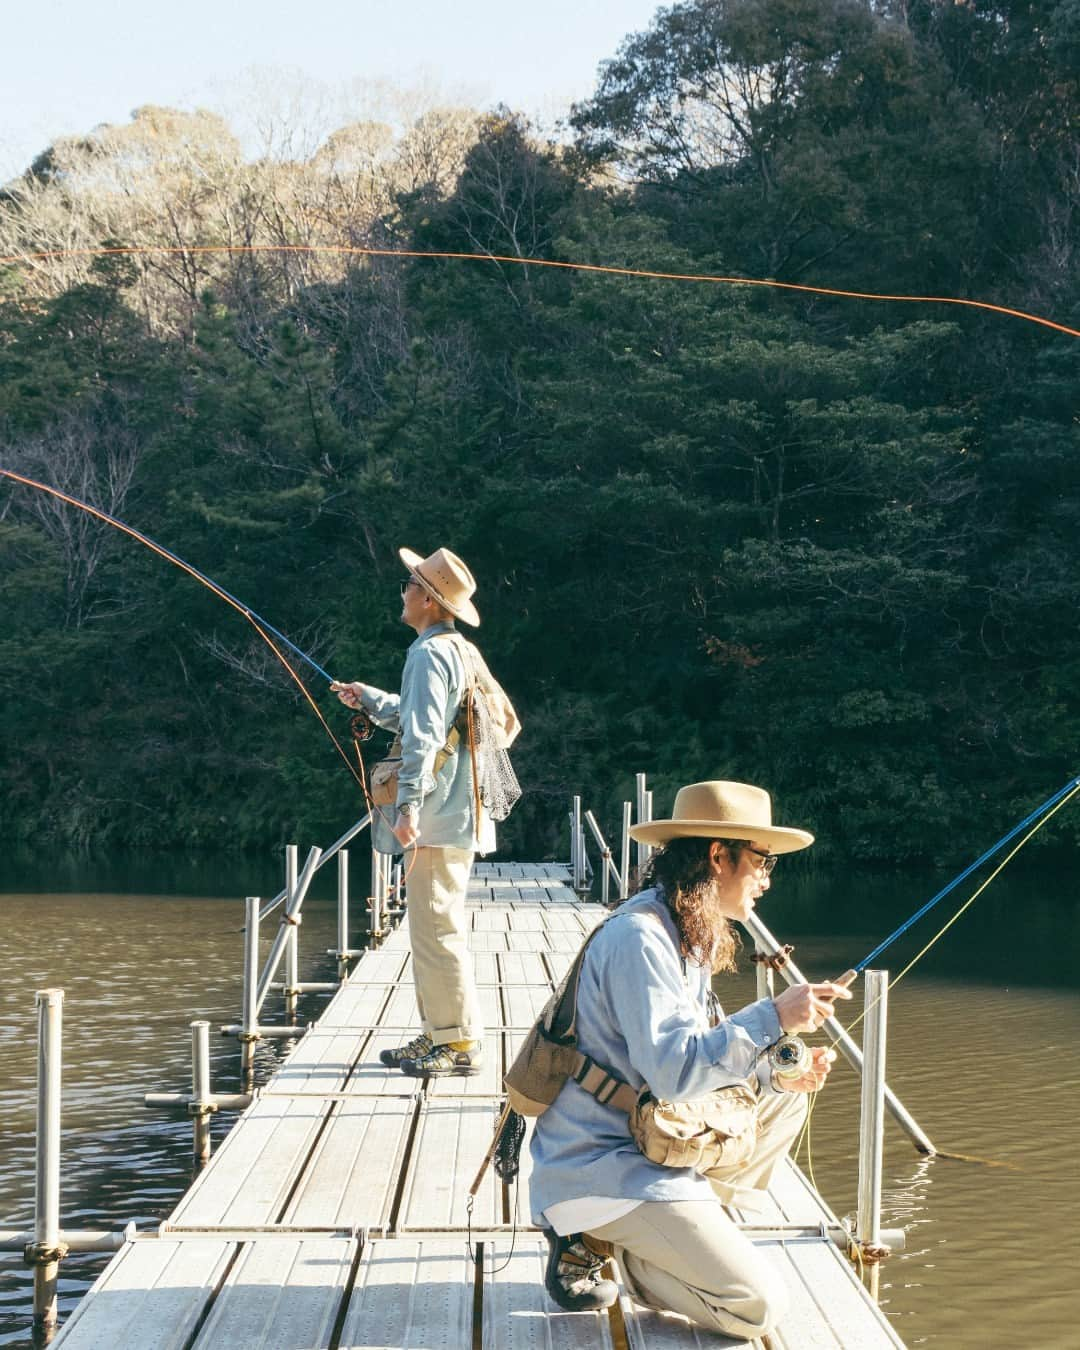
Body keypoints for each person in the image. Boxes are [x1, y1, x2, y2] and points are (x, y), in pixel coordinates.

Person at [528, 780, 854, 1340]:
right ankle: (621, 1254)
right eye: (763, 860)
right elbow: (676, 1074)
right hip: (602, 1164)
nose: (768, 878)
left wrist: (776, 1070)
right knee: (758, 1307)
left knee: (781, 1102)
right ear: (717, 856)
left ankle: (692, 1232)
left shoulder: (684, 930)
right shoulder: (640, 938)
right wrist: (773, 1016)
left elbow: (698, 1063)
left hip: (647, 1137)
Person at [331, 546, 494, 1077]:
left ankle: (457, 1044)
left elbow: (423, 738)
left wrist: (408, 809)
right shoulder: (458, 650)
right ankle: (438, 1034)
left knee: (437, 928)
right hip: (457, 811)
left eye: (408, 586)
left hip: (439, 815)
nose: (402, 593)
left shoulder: (427, 654)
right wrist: (371, 699)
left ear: (426, 598)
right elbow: (424, 717)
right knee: (431, 927)